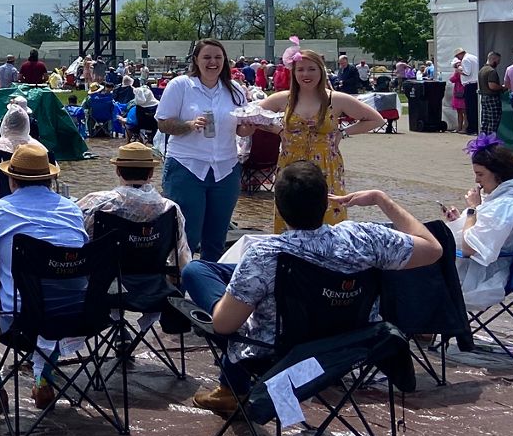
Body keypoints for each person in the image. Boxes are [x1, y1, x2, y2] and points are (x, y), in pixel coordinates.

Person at [181, 160, 442, 413]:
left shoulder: (265, 254)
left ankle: (233, 390)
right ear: (325, 202)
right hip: (348, 348)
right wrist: (381, 200)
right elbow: (433, 249)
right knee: (221, 274)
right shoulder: (365, 238)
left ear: (279, 208)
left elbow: (224, 326)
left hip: (280, 354)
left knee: (196, 272)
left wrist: (228, 306)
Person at [0, 143, 86, 412]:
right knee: (56, 288)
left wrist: (1, 272)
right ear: (51, 178)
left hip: (23, 323)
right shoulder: (73, 210)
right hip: (79, 316)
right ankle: (43, 378)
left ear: (11, 180)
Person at [259, 42, 384, 232]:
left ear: (321, 71)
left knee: (327, 212)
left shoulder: (336, 99)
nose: (306, 74)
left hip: (326, 166)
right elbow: (249, 115)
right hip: (291, 164)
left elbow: (376, 119)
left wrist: (343, 133)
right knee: (291, 213)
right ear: (293, 72)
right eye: (300, 69)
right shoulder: (284, 98)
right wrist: (277, 130)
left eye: (311, 69)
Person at [155, 39, 260, 262]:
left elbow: (240, 129)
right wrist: (189, 125)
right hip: (187, 167)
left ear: (224, 61)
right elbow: (163, 123)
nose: (213, 62)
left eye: (218, 58)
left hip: (225, 168)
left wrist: (247, 127)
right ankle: (178, 287)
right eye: (207, 57)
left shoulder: (234, 90)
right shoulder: (181, 85)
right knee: (186, 235)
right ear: (196, 60)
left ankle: (209, 286)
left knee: (217, 236)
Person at [77, 142, 191, 330]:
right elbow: (181, 258)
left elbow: (80, 242)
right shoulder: (170, 209)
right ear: (151, 174)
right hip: (153, 284)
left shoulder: (98, 203)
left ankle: (116, 327)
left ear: (118, 171)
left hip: (104, 284)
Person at [440, 135, 513, 308]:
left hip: (486, 274)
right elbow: (485, 230)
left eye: (480, 174)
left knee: (420, 266)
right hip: (497, 264)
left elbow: (469, 248)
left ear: (498, 173)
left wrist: (473, 209)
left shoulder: (504, 204)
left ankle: (425, 329)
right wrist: (461, 220)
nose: (477, 180)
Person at [0, 103, 44, 211]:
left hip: (0, 196)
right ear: (26, 124)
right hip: (38, 198)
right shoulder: (38, 147)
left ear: (5, 123)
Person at [453, 48, 479, 134]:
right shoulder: (474, 57)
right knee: (474, 107)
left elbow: (467, 72)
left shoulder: (465, 59)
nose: (458, 58)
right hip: (475, 83)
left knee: (470, 108)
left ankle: (472, 128)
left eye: (457, 56)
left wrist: (459, 70)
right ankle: (475, 127)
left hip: (470, 84)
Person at [477, 51, 504, 136]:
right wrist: (503, 87)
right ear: (493, 59)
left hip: (484, 97)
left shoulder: (481, 70)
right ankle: (491, 143)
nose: (498, 63)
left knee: (485, 122)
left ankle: (482, 142)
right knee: (493, 122)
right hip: (492, 98)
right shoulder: (491, 71)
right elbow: (492, 86)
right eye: (498, 61)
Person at [451, 55, 467, 135]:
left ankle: (464, 127)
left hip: (461, 92)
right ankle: (460, 127)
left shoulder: (461, 71)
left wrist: (457, 72)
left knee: (464, 112)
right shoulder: (458, 71)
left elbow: (453, 79)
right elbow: (453, 79)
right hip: (458, 92)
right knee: (460, 112)